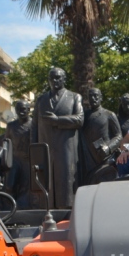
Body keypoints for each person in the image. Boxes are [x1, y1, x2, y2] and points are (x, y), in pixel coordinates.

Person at [33, 67, 83, 208]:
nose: (54, 80)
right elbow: (34, 127)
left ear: (64, 79)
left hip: (66, 149)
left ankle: (67, 214)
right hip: (46, 149)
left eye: (58, 77)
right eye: (52, 78)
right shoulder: (41, 100)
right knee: (46, 185)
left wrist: (58, 120)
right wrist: (34, 152)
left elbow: (79, 119)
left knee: (66, 185)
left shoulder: (74, 97)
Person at [79, 88, 122, 185]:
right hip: (88, 162)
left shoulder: (109, 114)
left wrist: (108, 148)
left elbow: (118, 136)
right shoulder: (84, 116)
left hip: (105, 160)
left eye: (96, 96)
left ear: (101, 98)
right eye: (91, 96)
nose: (93, 98)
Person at [4, 100, 34, 207]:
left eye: (23, 109)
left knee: (26, 186)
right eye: (18, 110)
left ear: (28, 110)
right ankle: (9, 206)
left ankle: (23, 206)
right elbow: (6, 143)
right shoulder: (11, 126)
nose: (21, 112)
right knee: (9, 185)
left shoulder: (34, 124)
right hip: (15, 160)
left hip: (28, 160)